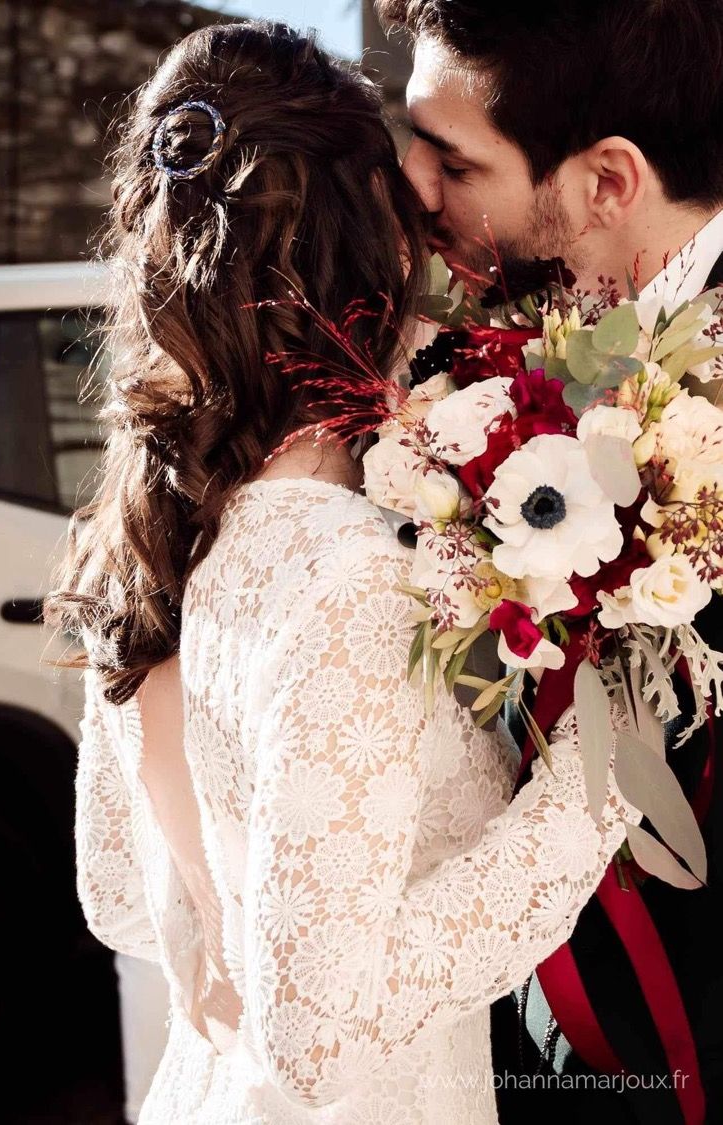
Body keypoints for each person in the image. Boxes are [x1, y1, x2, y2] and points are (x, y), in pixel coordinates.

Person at [46, 20, 641, 1124]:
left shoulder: (161, 535)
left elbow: (121, 900)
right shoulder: (353, 583)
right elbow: (315, 1041)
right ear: (374, 261)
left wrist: (224, 914)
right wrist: (592, 794)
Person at [376, 2, 723, 1122]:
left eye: (453, 158)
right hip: (516, 1038)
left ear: (607, 182)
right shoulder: (477, 355)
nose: (414, 188)